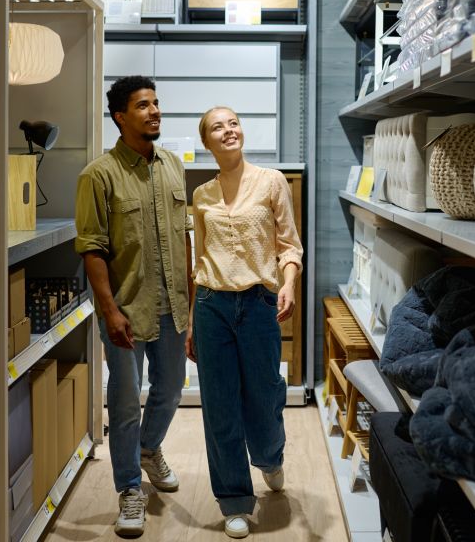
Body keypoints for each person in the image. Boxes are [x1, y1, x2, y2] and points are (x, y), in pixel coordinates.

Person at [74, 75, 193, 537]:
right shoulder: (98, 175)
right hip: (125, 307)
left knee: (171, 388)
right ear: (120, 116)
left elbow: (183, 237)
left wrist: (190, 297)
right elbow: (92, 248)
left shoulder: (172, 167)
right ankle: (129, 488)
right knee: (125, 400)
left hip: (171, 304)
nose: (155, 111)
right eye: (143, 105)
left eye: (157, 103)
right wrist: (109, 310)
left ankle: (149, 450)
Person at [187, 106, 304, 539]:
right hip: (212, 306)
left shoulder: (271, 181)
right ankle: (234, 498)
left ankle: (271, 455)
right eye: (218, 126)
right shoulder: (202, 197)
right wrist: (193, 323)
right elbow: (199, 262)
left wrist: (287, 284)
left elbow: (289, 245)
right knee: (219, 405)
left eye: (233, 122)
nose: (228, 129)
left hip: (258, 303)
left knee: (265, 393)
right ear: (208, 143)